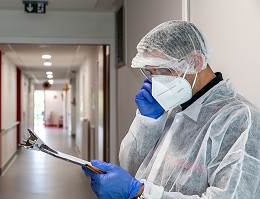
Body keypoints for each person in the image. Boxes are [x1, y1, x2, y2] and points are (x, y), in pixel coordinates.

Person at [82, 20, 260, 199]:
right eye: (150, 72)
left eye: (164, 71)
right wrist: (147, 121)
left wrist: (139, 193)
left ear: (195, 62)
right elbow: (131, 167)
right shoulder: (174, 108)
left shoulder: (241, 119)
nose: (156, 81)